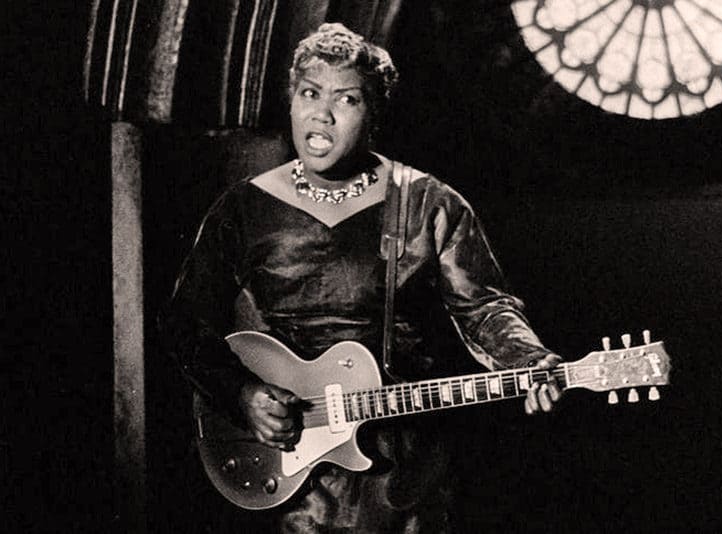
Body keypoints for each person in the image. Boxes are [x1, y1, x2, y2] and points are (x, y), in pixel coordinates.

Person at [161, 22, 562, 533]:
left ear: (373, 115)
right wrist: (242, 395)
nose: (321, 113)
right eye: (309, 93)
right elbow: (182, 322)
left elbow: (484, 308)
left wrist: (527, 358)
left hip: (403, 473)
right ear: (291, 101)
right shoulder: (242, 209)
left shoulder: (427, 202)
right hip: (292, 473)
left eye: (346, 99)